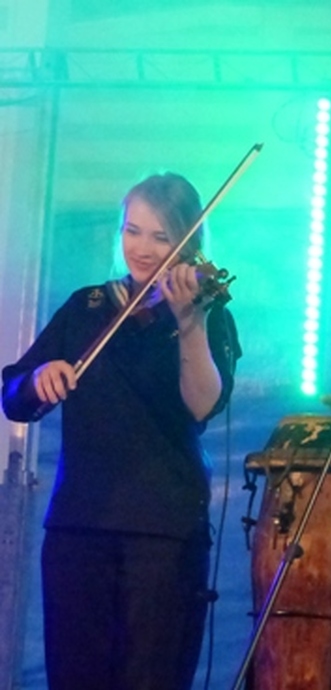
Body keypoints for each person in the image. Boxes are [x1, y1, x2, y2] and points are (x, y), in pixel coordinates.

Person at [2, 173, 240, 690]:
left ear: (189, 243)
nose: (143, 248)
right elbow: (14, 396)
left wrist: (191, 323)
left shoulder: (206, 312)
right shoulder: (87, 306)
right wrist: (38, 378)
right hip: (79, 525)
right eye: (133, 231)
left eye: (161, 236)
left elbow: (203, 404)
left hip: (163, 532)